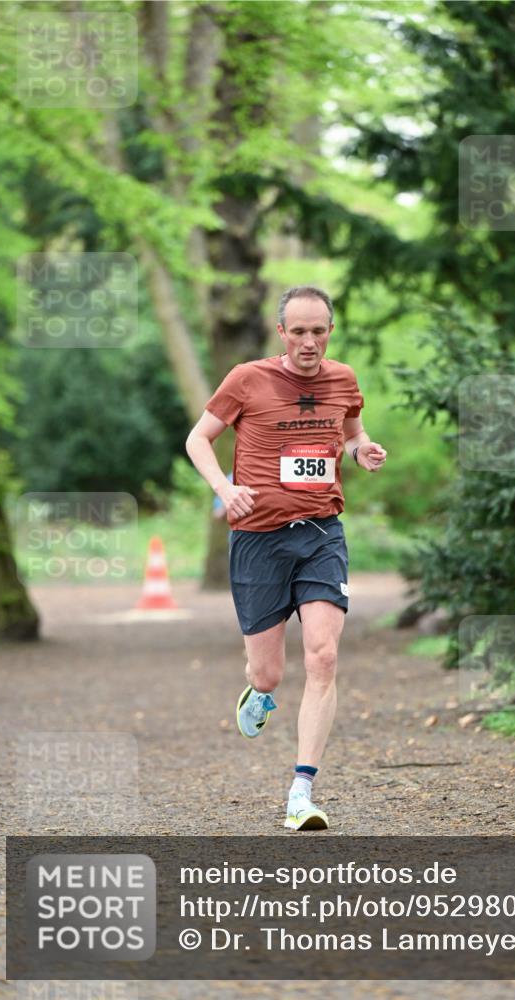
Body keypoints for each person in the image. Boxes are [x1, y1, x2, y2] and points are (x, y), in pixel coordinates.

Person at [185, 285, 387, 831]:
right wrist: (225, 491)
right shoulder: (247, 378)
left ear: (329, 331)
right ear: (281, 333)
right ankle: (259, 688)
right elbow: (198, 440)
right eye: (298, 331)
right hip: (258, 540)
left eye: (318, 331)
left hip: (321, 533)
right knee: (270, 673)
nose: (309, 342)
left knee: (323, 657)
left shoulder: (343, 379)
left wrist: (359, 449)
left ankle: (302, 791)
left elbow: (351, 431)